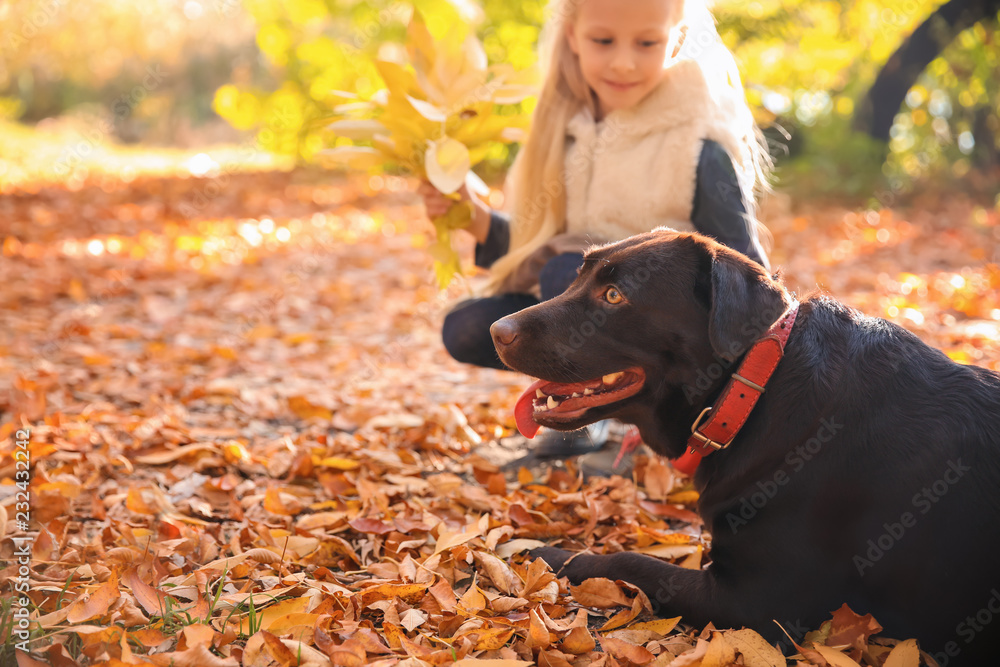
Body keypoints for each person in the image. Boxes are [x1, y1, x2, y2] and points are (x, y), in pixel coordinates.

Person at [421, 0, 771, 472]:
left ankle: (595, 415)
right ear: (572, 38)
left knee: (568, 270)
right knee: (466, 326)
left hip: (657, 333)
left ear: (678, 40)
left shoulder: (696, 148)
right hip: (578, 299)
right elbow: (536, 245)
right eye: (603, 41)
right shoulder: (563, 135)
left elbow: (746, 274)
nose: (624, 61)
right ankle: (591, 397)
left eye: (647, 43)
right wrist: (474, 217)